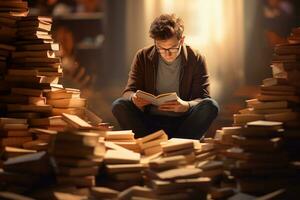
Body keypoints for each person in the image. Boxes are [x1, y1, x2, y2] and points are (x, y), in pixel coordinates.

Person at [112, 14, 219, 140]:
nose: (167, 54)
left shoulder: (195, 58)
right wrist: (133, 97)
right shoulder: (143, 56)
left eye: (173, 48)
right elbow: (128, 91)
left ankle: (176, 143)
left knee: (211, 106)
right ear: (155, 42)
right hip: (150, 122)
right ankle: (155, 141)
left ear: (182, 40)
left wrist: (186, 105)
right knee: (119, 105)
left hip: (183, 122)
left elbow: (203, 98)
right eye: (161, 49)